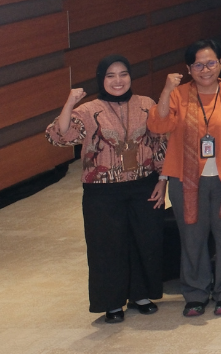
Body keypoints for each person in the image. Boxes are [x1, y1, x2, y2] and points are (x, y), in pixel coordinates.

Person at [46, 55, 166, 322]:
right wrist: (69, 103)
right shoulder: (89, 110)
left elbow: (159, 142)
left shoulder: (146, 104)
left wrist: (162, 179)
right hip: (102, 191)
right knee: (107, 245)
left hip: (144, 185)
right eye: (110, 75)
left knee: (145, 240)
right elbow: (60, 136)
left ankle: (141, 295)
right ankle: (112, 303)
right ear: (101, 79)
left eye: (123, 74)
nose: (118, 81)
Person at [148, 39, 221, 317]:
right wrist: (166, 90)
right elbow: (158, 124)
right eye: (198, 65)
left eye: (211, 63)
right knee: (192, 237)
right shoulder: (179, 95)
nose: (205, 69)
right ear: (189, 69)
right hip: (185, 179)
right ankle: (195, 293)